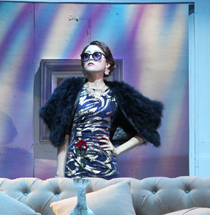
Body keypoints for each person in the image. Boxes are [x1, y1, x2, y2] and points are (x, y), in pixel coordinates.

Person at [39, 40, 163, 179]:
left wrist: (117, 150)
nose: (90, 58)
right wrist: (60, 173)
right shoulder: (71, 90)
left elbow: (147, 127)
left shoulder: (119, 94)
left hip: (106, 168)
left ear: (108, 64)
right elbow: (63, 133)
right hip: (76, 169)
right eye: (86, 56)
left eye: (96, 55)